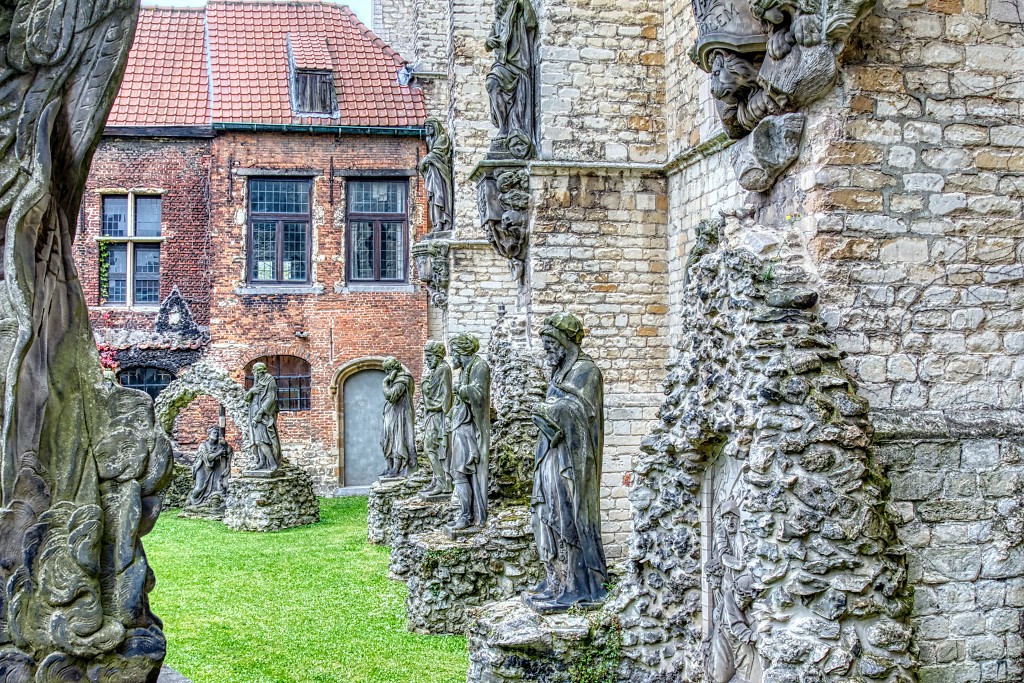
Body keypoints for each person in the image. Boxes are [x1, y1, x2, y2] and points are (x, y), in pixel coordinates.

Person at [525, 313, 608, 612]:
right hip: (552, 455)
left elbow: (581, 412)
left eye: (550, 344)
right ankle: (556, 580)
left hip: (573, 462)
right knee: (548, 515)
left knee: (567, 519)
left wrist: (550, 409)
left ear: (564, 342)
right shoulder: (559, 373)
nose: (546, 350)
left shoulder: (587, 371)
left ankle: (577, 586)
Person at [447, 334, 490, 529]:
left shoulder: (479, 366)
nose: (451, 357)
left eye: (453, 352)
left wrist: (460, 389)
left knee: (460, 472)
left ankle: (466, 516)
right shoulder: (466, 369)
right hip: (460, 425)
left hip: (468, 428)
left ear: (461, 351)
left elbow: (479, 395)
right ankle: (466, 513)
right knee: (459, 473)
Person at [485, 0, 537, 157]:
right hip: (502, 63)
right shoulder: (498, 23)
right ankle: (504, 127)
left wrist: (524, 3)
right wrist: (490, 41)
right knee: (491, 83)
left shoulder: (519, 14)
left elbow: (531, 23)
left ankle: (515, 129)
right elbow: (488, 44)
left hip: (519, 63)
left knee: (518, 103)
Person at [421, 341, 454, 495]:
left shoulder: (442, 369)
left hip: (438, 414)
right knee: (433, 447)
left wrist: (446, 414)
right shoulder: (438, 370)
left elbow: (445, 394)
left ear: (437, 355)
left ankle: (442, 482)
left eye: (429, 356)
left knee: (431, 447)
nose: (427, 360)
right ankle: (437, 480)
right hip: (434, 413)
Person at [381, 357, 417, 478]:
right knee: (386, 441)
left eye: (388, 370)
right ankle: (390, 467)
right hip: (392, 414)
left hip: (400, 416)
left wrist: (385, 383)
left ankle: (397, 468)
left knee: (398, 440)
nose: (387, 373)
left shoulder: (403, 379)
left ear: (394, 368)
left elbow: (392, 396)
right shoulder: (397, 379)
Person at [244, 362, 282, 473]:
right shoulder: (256, 382)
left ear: (260, 371)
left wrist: (260, 414)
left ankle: (272, 463)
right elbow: (247, 399)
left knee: (261, 440)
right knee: (257, 440)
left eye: (255, 372)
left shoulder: (270, 380)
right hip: (253, 412)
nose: (254, 374)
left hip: (263, 414)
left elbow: (271, 398)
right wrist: (251, 391)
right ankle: (261, 462)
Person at [419, 118, 454, 234]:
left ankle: (442, 221)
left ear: (435, 127)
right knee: (433, 199)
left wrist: (425, 160)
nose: (427, 130)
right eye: (425, 127)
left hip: (440, 175)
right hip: (432, 174)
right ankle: (436, 222)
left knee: (439, 196)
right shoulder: (430, 140)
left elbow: (437, 154)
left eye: (429, 127)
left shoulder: (442, 138)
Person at [186, 426, 232, 506]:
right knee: (199, 488)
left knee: (219, 488)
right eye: (214, 432)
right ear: (209, 434)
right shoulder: (203, 446)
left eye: (218, 433)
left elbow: (229, 452)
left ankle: (213, 502)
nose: (216, 434)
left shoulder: (220, 445)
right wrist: (218, 453)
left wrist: (226, 445)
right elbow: (207, 457)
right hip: (203, 468)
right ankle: (192, 500)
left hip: (216, 469)